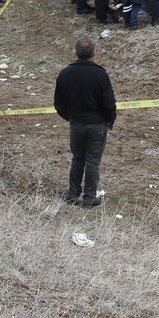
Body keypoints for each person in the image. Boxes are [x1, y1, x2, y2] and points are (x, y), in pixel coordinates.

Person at [54, 37, 116, 207]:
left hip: (76, 123)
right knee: (93, 161)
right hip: (97, 124)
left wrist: (69, 117)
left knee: (77, 159)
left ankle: (72, 195)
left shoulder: (65, 74)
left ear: (76, 53)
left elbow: (58, 102)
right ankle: (89, 198)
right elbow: (109, 102)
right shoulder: (100, 75)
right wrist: (109, 120)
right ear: (94, 52)